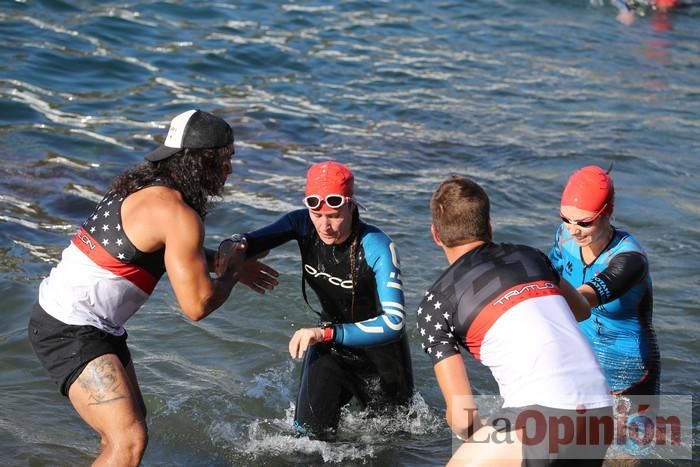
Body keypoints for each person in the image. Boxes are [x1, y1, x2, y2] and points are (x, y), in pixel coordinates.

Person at [28, 109, 277, 466]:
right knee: (128, 441)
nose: (230, 170)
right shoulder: (178, 214)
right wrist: (232, 272)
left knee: (127, 431)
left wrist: (221, 260)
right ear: (202, 161)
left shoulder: (142, 189)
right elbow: (197, 306)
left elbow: (166, 251)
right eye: (226, 159)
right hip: (70, 328)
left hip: (80, 321)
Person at [418, 176, 613, 466]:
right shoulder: (530, 257)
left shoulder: (436, 303)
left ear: (435, 234)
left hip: (545, 419)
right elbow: (582, 310)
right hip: (600, 412)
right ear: (489, 226)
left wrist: (477, 434)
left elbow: (462, 416)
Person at [218, 160, 413, 440]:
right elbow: (245, 243)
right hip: (329, 348)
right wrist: (234, 251)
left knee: (393, 444)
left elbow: (394, 323)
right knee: (307, 444)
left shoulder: (376, 245)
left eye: (334, 215)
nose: (325, 226)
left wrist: (325, 333)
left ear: (351, 205)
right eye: (316, 214)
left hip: (382, 359)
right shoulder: (301, 224)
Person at [549, 165, 660, 400]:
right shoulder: (564, 236)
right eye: (566, 219)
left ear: (608, 213)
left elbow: (583, 299)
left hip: (627, 375)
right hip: (580, 362)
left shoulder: (630, 260)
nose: (573, 230)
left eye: (584, 223)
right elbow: (548, 282)